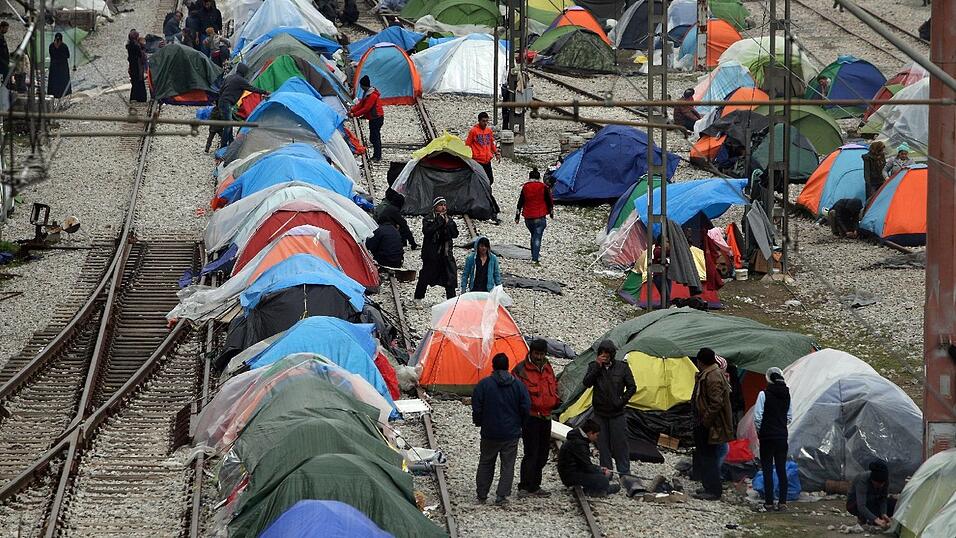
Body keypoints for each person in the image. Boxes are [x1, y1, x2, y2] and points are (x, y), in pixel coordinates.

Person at [472, 353, 531, 506]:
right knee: (508, 464)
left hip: (489, 433)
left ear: (493, 366)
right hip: (511, 433)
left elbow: (477, 407)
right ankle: (502, 496)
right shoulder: (518, 386)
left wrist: (479, 422)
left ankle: (482, 493)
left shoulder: (484, 385)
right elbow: (526, 408)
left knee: (486, 462)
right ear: (507, 366)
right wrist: (521, 425)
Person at [582, 340, 636, 481]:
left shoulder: (622, 367)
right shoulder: (593, 366)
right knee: (602, 444)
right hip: (600, 413)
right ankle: (607, 472)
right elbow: (586, 383)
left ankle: (624, 472)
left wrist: (622, 401)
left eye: (607, 353)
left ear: (612, 354)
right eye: (602, 353)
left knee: (620, 443)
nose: (604, 356)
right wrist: (597, 368)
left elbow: (632, 387)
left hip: (617, 413)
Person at [513, 338, 560, 497]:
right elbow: (515, 394)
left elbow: (553, 385)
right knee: (531, 452)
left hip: (546, 416)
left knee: (542, 453)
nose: (539, 357)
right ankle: (525, 486)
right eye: (537, 353)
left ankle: (535, 485)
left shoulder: (548, 367)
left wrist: (555, 401)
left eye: (542, 354)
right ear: (531, 352)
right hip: (531, 417)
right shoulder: (520, 370)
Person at [690, 347, 733, 500]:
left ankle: (713, 490)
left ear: (700, 361)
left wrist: (705, 422)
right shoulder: (709, 373)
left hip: (708, 424)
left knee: (709, 456)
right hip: (703, 421)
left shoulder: (713, 376)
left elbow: (716, 403)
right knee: (705, 455)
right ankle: (708, 485)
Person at [753, 367, 793, 511]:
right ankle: (782, 502)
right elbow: (789, 417)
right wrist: (781, 426)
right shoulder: (787, 395)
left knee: (768, 469)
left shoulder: (764, 394)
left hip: (767, 436)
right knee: (782, 469)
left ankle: (769, 502)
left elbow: (758, 416)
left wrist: (760, 431)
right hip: (782, 436)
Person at [558, 419, 621, 496]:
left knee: (600, 476)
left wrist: (599, 469)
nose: (596, 438)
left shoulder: (577, 438)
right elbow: (587, 467)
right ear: (590, 433)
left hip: (569, 473)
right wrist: (601, 471)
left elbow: (583, 463)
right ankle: (597, 491)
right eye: (596, 435)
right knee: (603, 480)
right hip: (570, 476)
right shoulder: (579, 444)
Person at [414, 197, 459, 305]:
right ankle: (418, 298)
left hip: (446, 253)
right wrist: (439, 222)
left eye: (444, 205)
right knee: (425, 275)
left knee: (450, 278)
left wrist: (447, 224)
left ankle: (451, 302)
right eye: (440, 205)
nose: (443, 207)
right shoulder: (428, 219)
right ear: (435, 207)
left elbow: (455, 234)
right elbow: (427, 231)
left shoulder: (449, 220)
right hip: (431, 254)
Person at [217, 63, 268, 148]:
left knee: (228, 123)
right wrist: (265, 92)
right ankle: (223, 146)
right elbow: (252, 88)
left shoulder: (229, 77)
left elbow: (221, 90)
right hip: (227, 103)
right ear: (244, 72)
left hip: (222, 101)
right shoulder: (241, 80)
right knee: (228, 124)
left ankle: (231, 141)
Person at [515, 167, 554, 265]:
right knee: (537, 237)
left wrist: (517, 216)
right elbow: (549, 200)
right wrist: (551, 212)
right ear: (539, 177)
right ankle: (535, 259)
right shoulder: (543, 187)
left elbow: (520, 202)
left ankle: (533, 255)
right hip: (540, 216)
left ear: (529, 177)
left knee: (533, 235)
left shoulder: (525, 187)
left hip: (528, 217)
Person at [847, 460, 892, 528]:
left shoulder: (885, 481)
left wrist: (884, 513)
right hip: (855, 504)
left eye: (883, 484)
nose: (881, 486)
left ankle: (872, 517)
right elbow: (861, 506)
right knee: (872, 516)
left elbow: (883, 499)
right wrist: (876, 519)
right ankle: (863, 518)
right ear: (872, 480)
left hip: (873, 501)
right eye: (878, 484)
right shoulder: (862, 480)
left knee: (893, 503)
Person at [349, 76, 384, 161]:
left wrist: (354, 114)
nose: (360, 87)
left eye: (361, 85)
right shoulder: (368, 93)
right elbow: (361, 104)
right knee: (373, 137)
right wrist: (352, 109)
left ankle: (377, 156)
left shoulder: (372, 95)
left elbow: (366, 108)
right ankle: (377, 155)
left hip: (376, 118)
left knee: (375, 138)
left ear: (364, 85)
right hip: (374, 118)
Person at [465, 112, 500, 185]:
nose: (485, 123)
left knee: (490, 180)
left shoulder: (489, 131)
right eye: (483, 121)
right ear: (479, 121)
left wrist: (496, 153)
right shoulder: (473, 131)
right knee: (479, 180)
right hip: (477, 161)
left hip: (487, 160)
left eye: (487, 121)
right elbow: (467, 145)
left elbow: (491, 143)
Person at [126, 30, 148, 103]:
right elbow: (141, 55)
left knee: (135, 82)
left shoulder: (129, 45)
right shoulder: (136, 46)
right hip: (137, 66)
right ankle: (140, 98)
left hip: (132, 66)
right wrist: (143, 46)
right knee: (139, 82)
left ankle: (134, 97)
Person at [47, 33, 71, 98]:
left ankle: (53, 94)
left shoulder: (51, 46)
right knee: (63, 81)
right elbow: (68, 55)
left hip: (54, 67)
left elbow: (51, 54)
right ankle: (64, 93)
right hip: (62, 67)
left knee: (53, 81)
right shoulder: (64, 46)